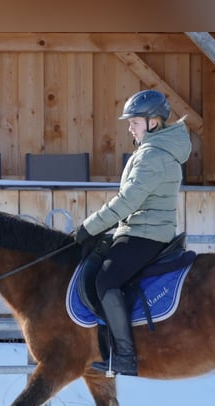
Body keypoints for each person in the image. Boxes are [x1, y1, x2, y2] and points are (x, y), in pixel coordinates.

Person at [74, 89, 192, 376]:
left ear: (153, 122)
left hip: (146, 234)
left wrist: (88, 228)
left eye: (134, 122)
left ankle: (125, 356)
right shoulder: (152, 151)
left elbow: (128, 201)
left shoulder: (153, 155)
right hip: (138, 229)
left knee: (105, 280)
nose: (130, 128)